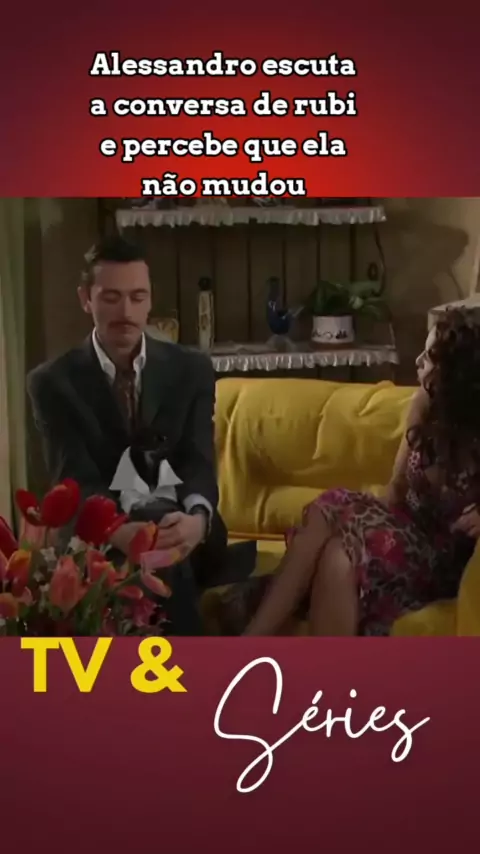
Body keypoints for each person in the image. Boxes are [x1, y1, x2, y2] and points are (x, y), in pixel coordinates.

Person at [220, 307, 480, 636]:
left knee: (336, 519)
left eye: (428, 357)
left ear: (456, 372)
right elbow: (396, 489)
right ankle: (269, 649)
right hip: (404, 536)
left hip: (443, 562)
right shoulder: (423, 405)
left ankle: (252, 640)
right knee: (337, 550)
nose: (417, 362)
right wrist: (367, 531)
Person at [27, 235, 229, 635]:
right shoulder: (52, 383)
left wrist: (198, 520)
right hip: (100, 534)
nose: (126, 312)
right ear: (86, 298)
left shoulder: (191, 369)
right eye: (111, 298)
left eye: (138, 297)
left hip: (184, 525)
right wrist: (119, 532)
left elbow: (197, 461)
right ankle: (189, 666)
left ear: (150, 300)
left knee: (162, 541)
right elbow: (75, 479)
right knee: (155, 556)